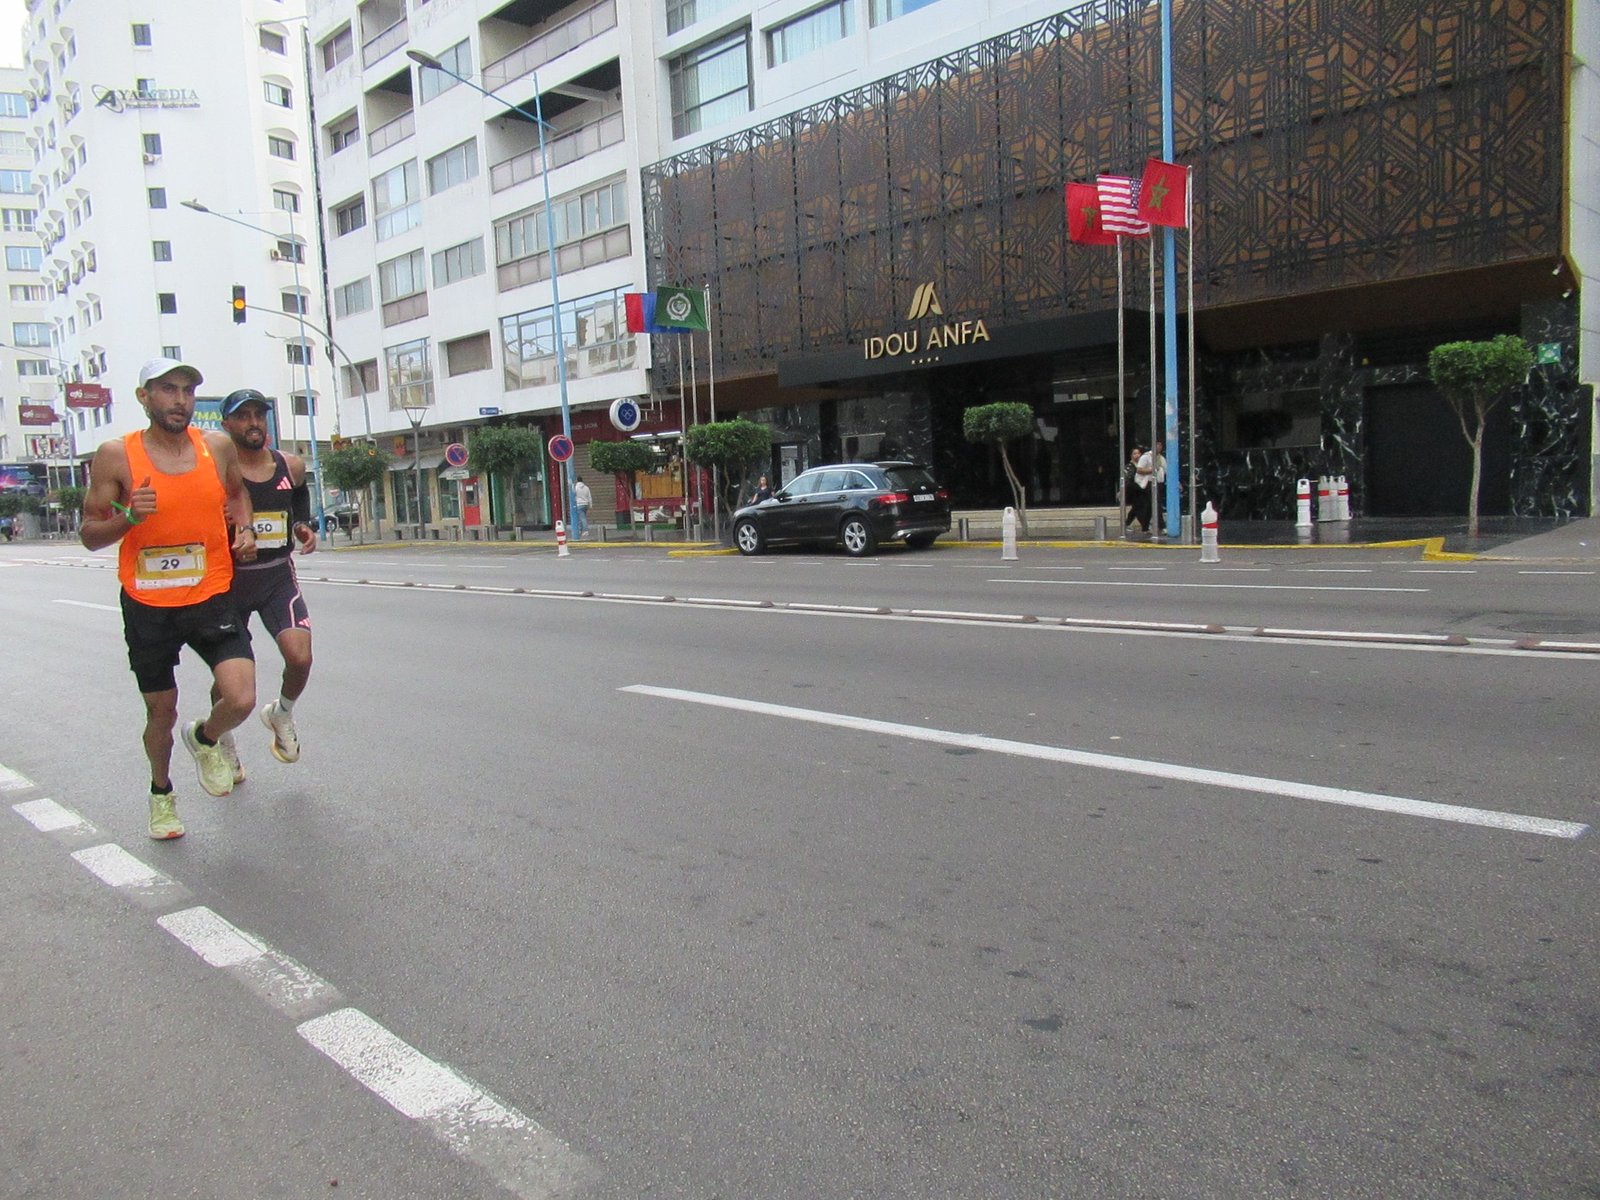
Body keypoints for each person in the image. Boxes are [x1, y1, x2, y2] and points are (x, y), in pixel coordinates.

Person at [79, 358, 258, 840]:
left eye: (187, 390)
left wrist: (243, 527)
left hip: (211, 592)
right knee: (162, 711)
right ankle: (162, 794)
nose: (180, 399)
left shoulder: (217, 446)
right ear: (144, 397)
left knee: (241, 697)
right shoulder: (116, 456)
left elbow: (237, 495)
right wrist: (128, 521)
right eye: (167, 389)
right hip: (148, 603)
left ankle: (205, 738)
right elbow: (90, 535)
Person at [216, 389, 315, 780]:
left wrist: (302, 525)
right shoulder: (216, 472)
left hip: (277, 576)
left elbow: (299, 497)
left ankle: (281, 713)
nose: (253, 422)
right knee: (229, 682)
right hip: (229, 583)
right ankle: (222, 739)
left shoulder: (290, 465)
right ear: (227, 425)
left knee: (300, 657)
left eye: (259, 414)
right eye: (243, 416)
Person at [1134, 444, 1167, 536]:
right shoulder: (1146, 457)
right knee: (1157, 503)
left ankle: (1145, 527)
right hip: (1149, 483)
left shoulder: (1161, 458)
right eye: (1157, 445)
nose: (1159, 447)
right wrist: (1151, 470)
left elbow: (1166, 470)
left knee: (1149, 506)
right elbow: (1139, 470)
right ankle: (1162, 526)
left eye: (1161, 445)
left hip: (1159, 483)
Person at [1121, 446, 1146, 534]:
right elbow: (1128, 479)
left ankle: (1127, 523)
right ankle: (1145, 526)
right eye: (1135, 453)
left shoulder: (1143, 465)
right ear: (1131, 456)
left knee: (1136, 508)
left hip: (1142, 489)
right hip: (1133, 490)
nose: (1137, 455)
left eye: (1138, 453)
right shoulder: (1129, 466)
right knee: (1137, 508)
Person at [572, 474, 592, 539]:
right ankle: (580, 530)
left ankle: (585, 530)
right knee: (582, 518)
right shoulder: (586, 487)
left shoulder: (576, 487)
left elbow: (574, 495)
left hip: (579, 504)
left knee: (582, 518)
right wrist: (590, 505)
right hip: (586, 504)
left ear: (577, 480)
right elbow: (589, 497)